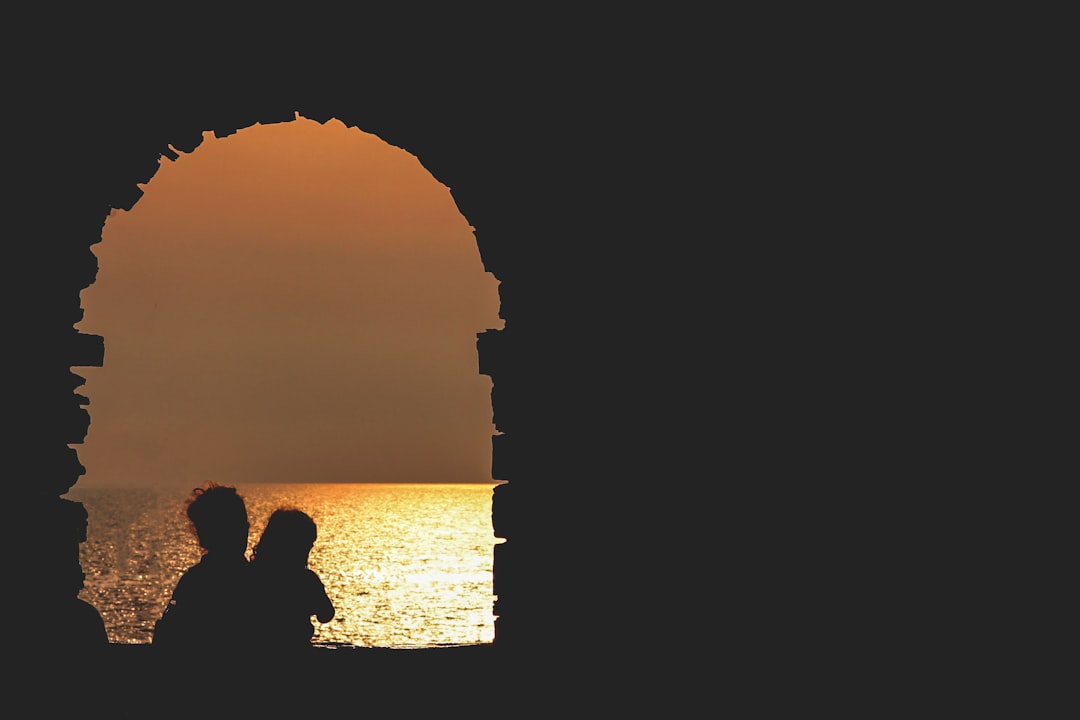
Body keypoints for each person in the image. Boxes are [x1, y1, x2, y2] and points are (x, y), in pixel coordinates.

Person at [152, 481, 254, 658]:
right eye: (236, 527)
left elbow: (167, 637)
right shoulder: (258, 581)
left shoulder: (193, 582)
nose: (244, 530)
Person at [249, 507, 335, 654]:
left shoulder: (251, 575)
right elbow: (326, 614)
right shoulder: (307, 580)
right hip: (297, 652)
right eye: (308, 545)